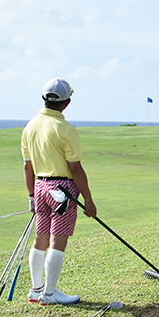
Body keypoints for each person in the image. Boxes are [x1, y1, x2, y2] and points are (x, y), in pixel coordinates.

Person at [21, 78, 97, 305]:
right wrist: (89, 200)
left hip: (39, 187)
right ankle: (50, 294)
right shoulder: (65, 129)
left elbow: (28, 166)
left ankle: (36, 290)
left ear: (44, 98)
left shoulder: (29, 126)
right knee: (57, 242)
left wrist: (31, 196)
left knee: (40, 239)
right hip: (61, 190)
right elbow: (75, 168)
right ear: (67, 102)